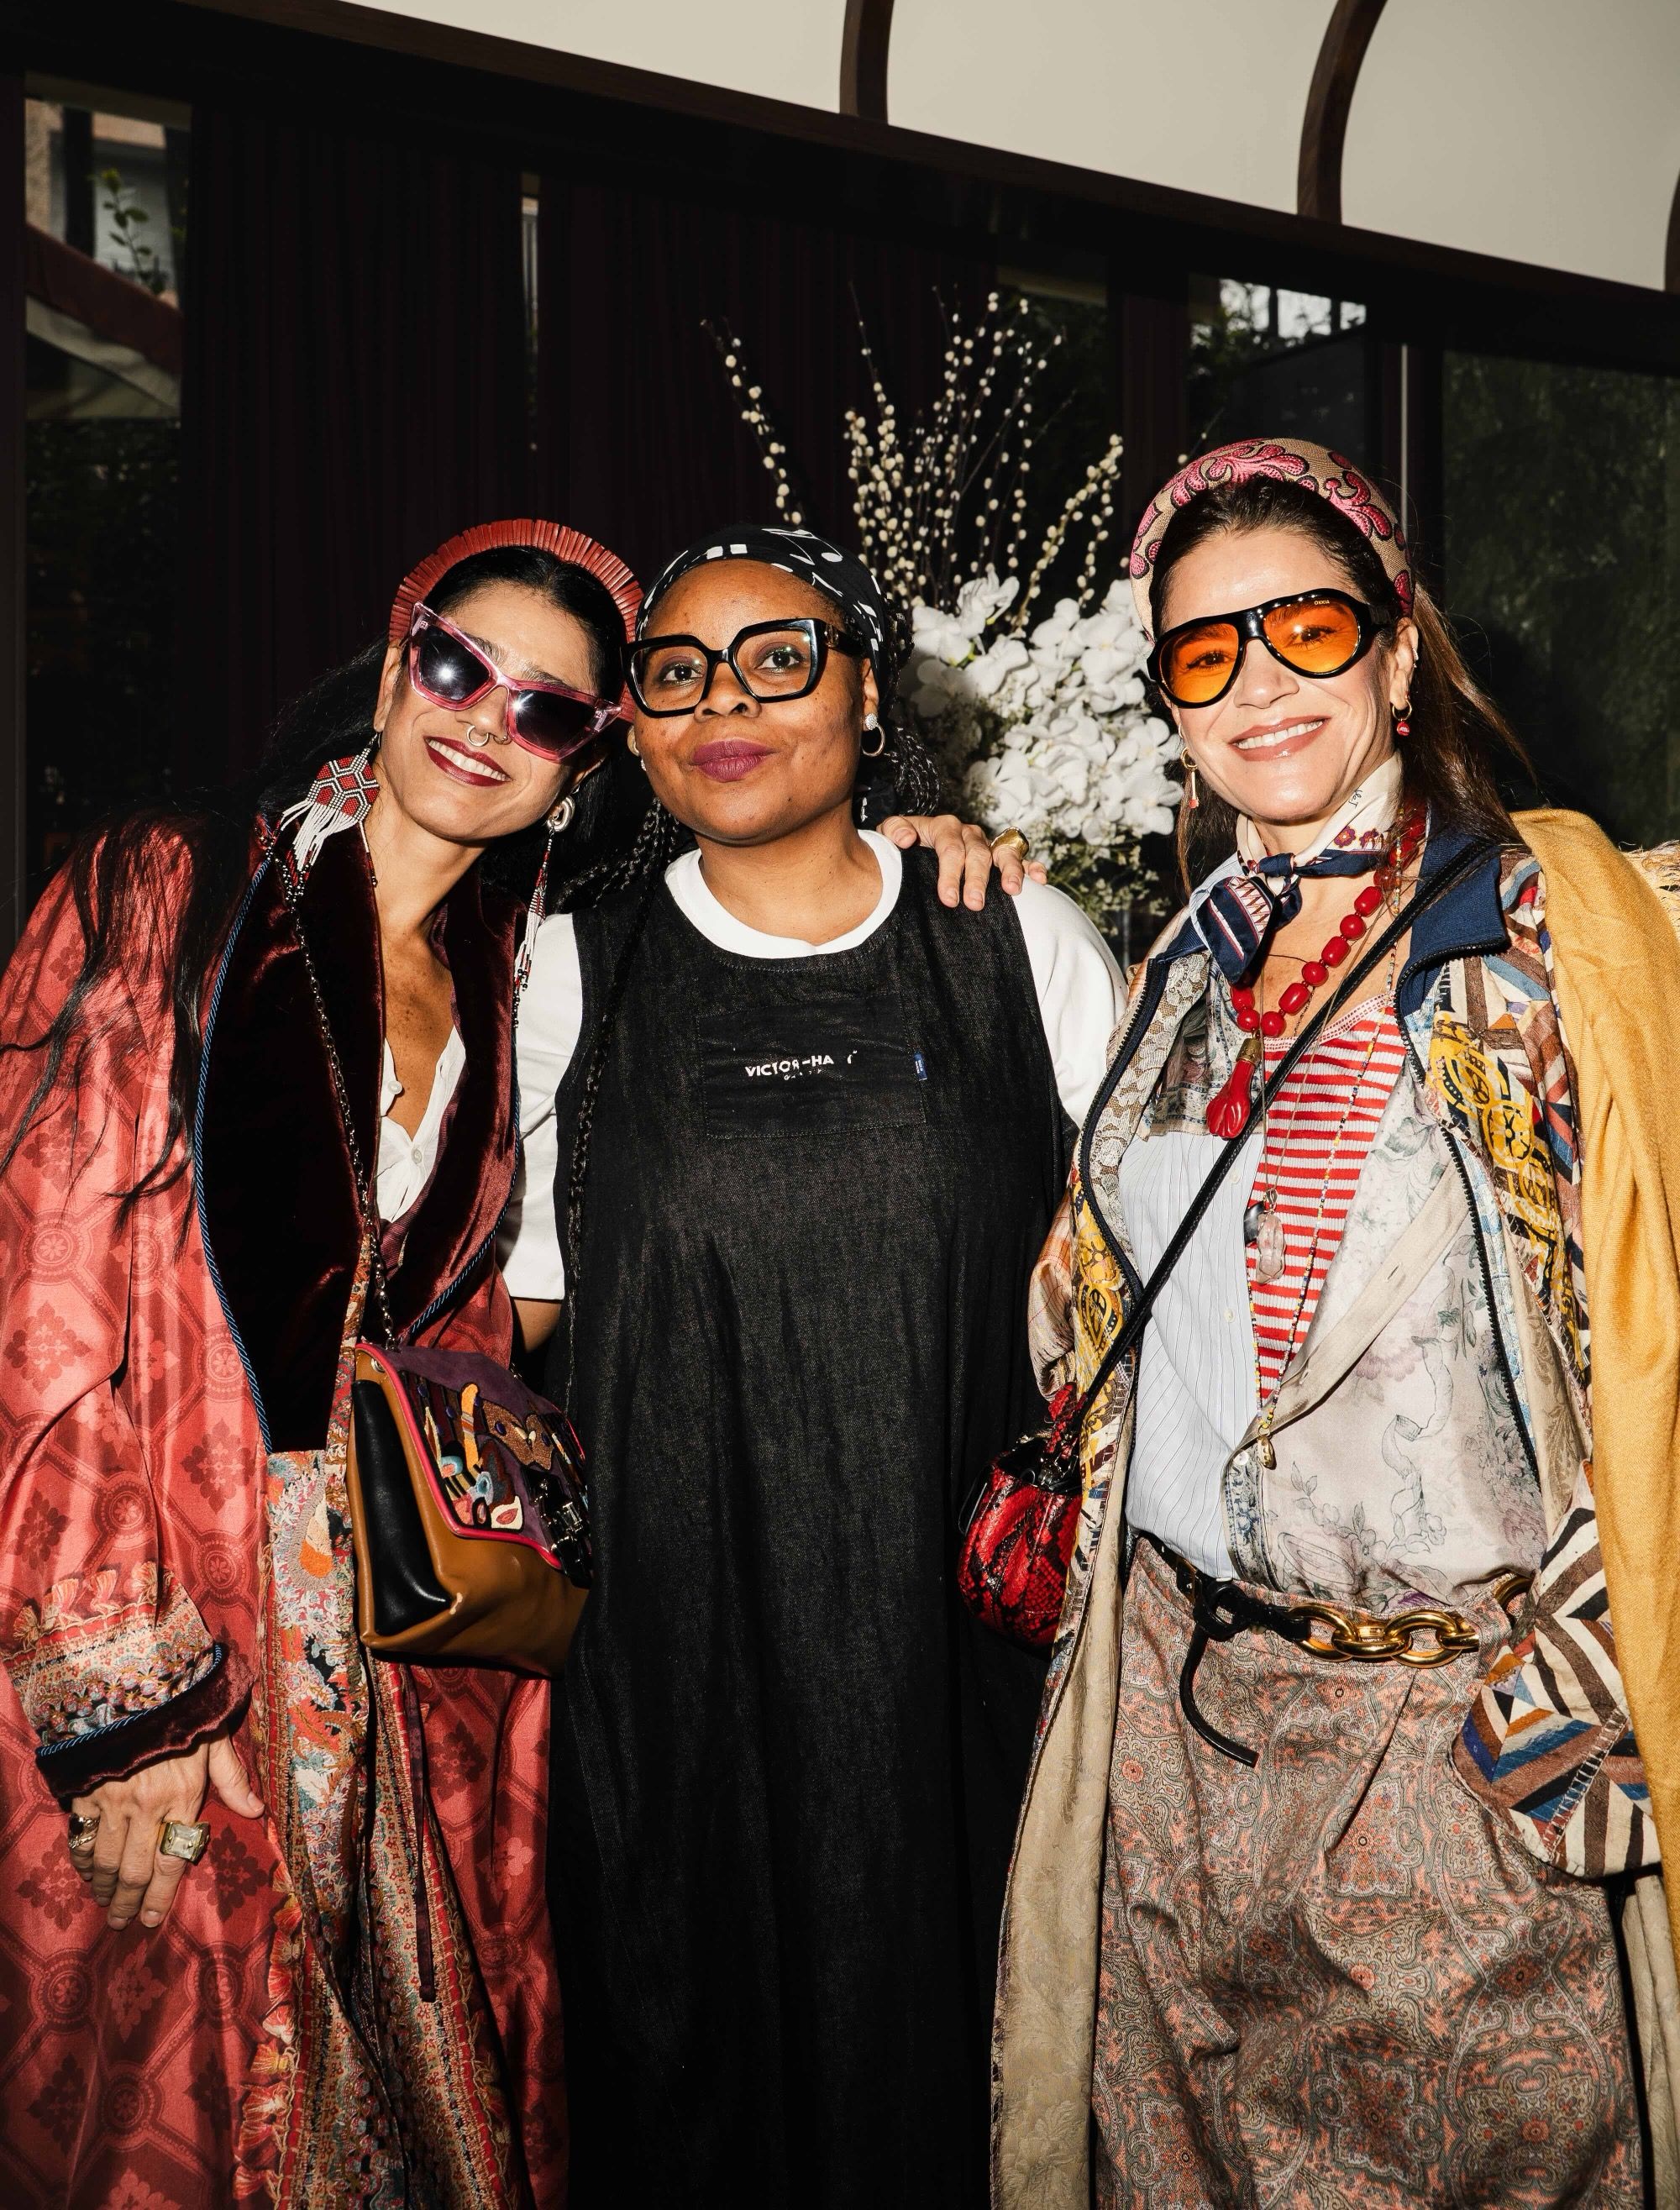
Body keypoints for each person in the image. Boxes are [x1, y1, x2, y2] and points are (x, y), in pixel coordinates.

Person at [990, 438, 1680, 2210]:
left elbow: (1661, 1325)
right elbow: (1100, 1315)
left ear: (1396, 647)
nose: (1260, 682)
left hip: (1448, 1751)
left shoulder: (1536, 937)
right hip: (1173, 1725)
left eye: (1306, 626)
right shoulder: (1181, 970)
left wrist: (1562, 1707)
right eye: (1204, 650)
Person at [0, 517, 655, 2210]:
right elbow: (41, 1288)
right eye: (457, 664)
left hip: (391, 1671)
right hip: (165, 1604)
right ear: (390, 660)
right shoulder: (171, 891)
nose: (484, 720)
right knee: (166, 2100)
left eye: (546, 710)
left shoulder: (510, 985)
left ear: (582, 766)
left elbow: (461, 1344)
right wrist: (123, 1706)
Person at [503, 523, 1126, 2208]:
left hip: (963, 1661)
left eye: (778, 659)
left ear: (866, 696)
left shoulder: (1016, 942)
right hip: (674, 1671)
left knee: (957, 2079)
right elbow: (495, 1322)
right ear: (633, 728)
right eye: (677, 673)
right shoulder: (570, 974)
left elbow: (1142, 1290)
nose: (727, 705)